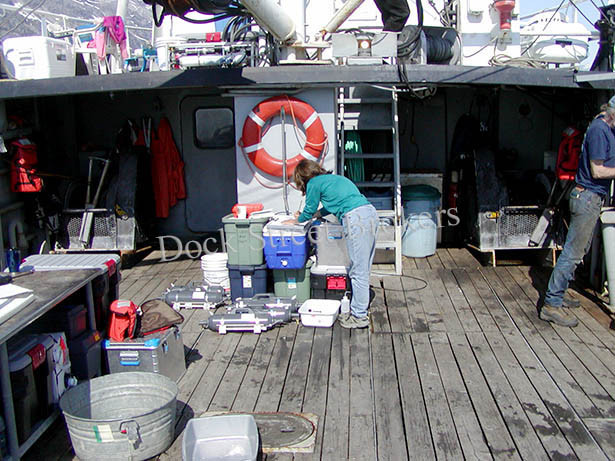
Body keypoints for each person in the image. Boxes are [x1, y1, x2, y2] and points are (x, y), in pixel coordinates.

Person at [541, 98, 615, 327]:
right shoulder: (600, 131)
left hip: (588, 197)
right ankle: (551, 305)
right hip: (588, 198)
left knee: (577, 250)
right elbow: (598, 170)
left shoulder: (602, 125)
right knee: (573, 253)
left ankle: (559, 294)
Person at [286, 159, 379, 329]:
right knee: (363, 267)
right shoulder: (335, 179)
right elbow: (330, 207)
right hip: (370, 213)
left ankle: (359, 316)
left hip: (355, 219)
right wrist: (315, 214)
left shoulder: (313, 183)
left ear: (302, 177)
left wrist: (295, 220)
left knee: (358, 271)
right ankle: (359, 307)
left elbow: (308, 209)